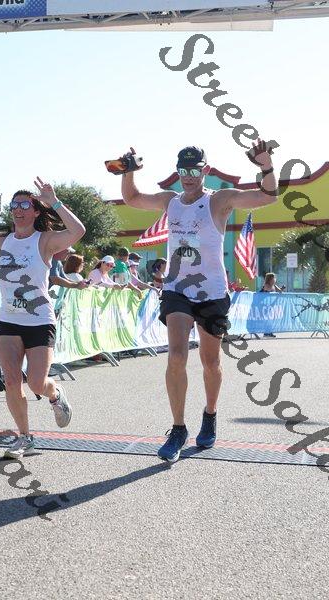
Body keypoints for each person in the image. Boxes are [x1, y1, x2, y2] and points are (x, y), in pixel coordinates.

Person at [121, 139, 277, 463]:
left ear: (205, 170)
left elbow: (267, 196)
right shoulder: (170, 201)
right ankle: (178, 428)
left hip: (212, 292)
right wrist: (128, 170)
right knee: (177, 355)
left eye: (194, 171)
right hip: (177, 289)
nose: (188, 177)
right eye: (183, 171)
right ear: (178, 172)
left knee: (210, 363)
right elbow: (132, 198)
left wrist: (266, 166)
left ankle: (210, 413)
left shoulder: (219, 200)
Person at [0, 178, 86, 459]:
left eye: (25, 205)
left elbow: (78, 231)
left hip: (39, 321)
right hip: (9, 320)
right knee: (12, 381)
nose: (18, 209)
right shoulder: (2, 240)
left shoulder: (45, 240)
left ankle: (55, 394)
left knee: (37, 383)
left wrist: (54, 201)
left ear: (36, 211)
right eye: (14, 205)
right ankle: (25, 438)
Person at [260, 272, 285, 338]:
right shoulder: (266, 285)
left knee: (270, 319)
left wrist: (281, 289)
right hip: (264, 305)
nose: (275, 279)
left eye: (275, 278)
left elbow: (280, 291)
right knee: (267, 319)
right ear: (270, 279)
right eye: (273, 278)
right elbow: (268, 291)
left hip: (271, 305)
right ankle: (266, 333)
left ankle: (269, 332)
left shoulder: (274, 285)